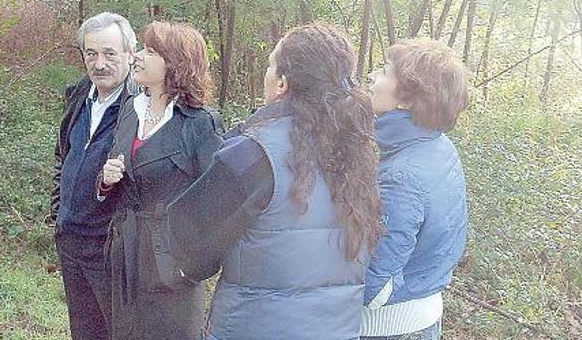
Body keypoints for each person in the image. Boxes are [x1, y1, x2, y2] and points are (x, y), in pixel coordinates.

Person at [163, 23, 384, 340]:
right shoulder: (357, 150)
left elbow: (188, 243)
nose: (266, 72)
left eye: (269, 64)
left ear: (282, 83)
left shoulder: (252, 153)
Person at [100, 21, 223, 340]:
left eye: (150, 51)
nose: (138, 56)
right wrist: (106, 180)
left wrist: (192, 264)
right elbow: (121, 176)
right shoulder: (130, 109)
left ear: (176, 63)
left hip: (172, 265)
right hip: (125, 255)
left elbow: (218, 203)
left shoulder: (200, 123)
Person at [361, 38, 470, 340]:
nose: (372, 77)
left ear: (408, 99)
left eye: (384, 71)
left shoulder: (403, 177)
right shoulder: (438, 147)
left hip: (389, 329)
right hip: (422, 320)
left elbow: (376, 285)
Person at [51, 12, 136, 340]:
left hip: (109, 247)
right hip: (70, 240)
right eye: (91, 54)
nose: (99, 63)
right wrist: (58, 213)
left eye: (110, 53)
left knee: (120, 333)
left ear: (130, 54)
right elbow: (63, 158)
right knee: (84, 333)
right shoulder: (79, 96)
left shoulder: (140, 107)